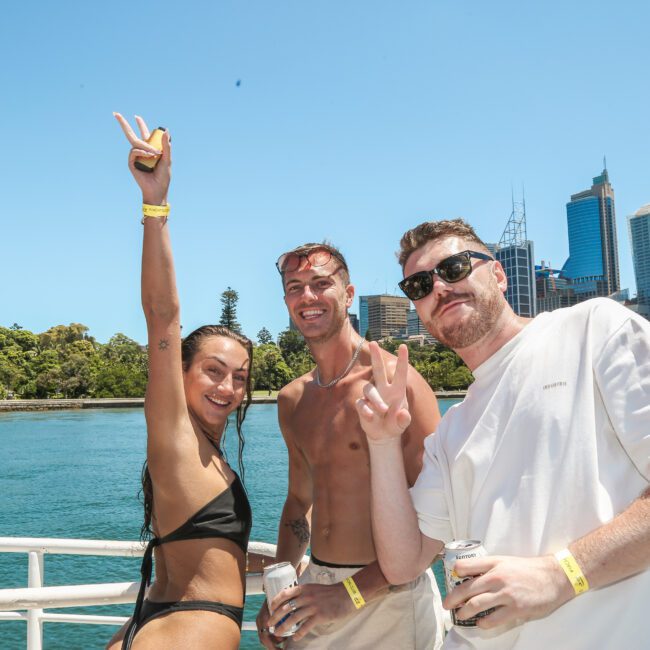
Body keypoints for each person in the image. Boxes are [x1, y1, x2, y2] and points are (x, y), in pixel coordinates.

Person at [356, 218, 650, 649]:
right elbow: (403, 564)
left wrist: (562, 575)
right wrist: (382, 442)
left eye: (454, 268)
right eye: (418, 286)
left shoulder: (595, 329)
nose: (437, 287)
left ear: (498, 273)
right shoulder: (450, 431)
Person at [106, 113, 268, 650]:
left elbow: (210, 550)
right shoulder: (174, 433)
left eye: (240, 378)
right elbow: (161, 314)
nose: (227, 388)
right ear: (181, 373)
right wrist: (156, 206)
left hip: (152, 624)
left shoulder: (205, 453)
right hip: (187, 630)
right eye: (213, 371)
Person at [256, 242, 446, 649]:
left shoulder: (396, 383)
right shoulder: (293, 400)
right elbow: (297, 503)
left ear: (348, 293)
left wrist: (350, 594)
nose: (307, 297)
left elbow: (440, 512)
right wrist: (279, 590)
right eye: (294, 287)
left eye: (321, 284)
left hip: (388, 594)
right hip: (313, 590)